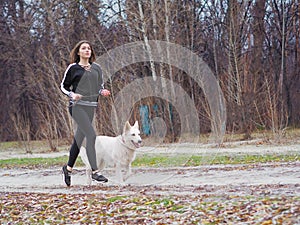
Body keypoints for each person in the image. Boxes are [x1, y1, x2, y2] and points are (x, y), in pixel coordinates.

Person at [60, 40, 111, 186]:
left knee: (79, 138)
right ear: (78, 52)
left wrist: (102, 91)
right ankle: (95, 172)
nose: (87, 50)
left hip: (91, 107)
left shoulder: (96, 68)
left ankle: (68, 168)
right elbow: (63, 86)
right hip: (76, 106)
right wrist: (72, 95)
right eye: (84, 48)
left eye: (89, 48)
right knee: (91, 135)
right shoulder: (73, 68)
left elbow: (99, 86)